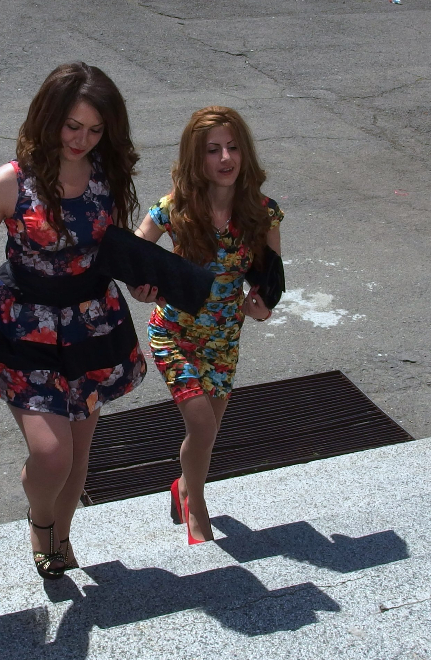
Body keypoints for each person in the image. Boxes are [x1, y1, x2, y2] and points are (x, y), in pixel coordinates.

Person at [0, 62, 147, 580]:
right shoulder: (10, 181)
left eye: (95, 130)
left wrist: (143, 283)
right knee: (51, 455)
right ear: (49, 117)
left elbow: (110, 249)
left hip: (92, 326)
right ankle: (41, 521)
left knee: (78, 455)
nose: (82, 140)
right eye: (72, 126)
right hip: (25, 328)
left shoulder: (107, 174)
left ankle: (62, 535)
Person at [132, 106, 282, 545]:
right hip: (173, 333)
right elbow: (133, 255)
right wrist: (143, 288)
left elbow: (270, 283)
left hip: (224, 338)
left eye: (233, 147)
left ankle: (183, 487)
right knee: (201, 427)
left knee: (207, 435)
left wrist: (261, 308)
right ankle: (196, 505)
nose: (225, 158)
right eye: (213, 150)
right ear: (195, 158)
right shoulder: (173, 209)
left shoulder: (263, 213)